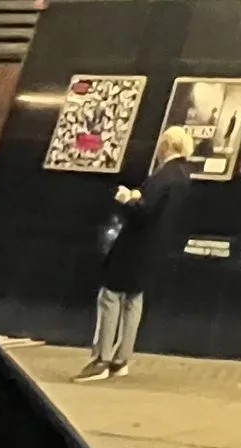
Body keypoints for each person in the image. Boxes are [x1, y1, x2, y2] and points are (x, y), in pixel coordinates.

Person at [75, 127, 197, 378]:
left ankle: (102, 359)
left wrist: (126, 198)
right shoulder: (185, 176)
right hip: (156, 248)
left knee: (110, 295)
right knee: (134, 299)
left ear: (166, 146)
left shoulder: (163, 175)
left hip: (136, 245)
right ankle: (122, 360)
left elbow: (144, 209)